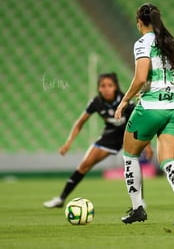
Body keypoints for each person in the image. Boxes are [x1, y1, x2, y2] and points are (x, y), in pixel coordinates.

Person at [114, 3, 174, 226]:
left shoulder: (142, 43)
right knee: (167, 159)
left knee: (129, 155)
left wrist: (125, 100)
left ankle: (138, 208)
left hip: (151, 109)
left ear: (139, 21)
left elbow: (140, 78)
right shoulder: (171, 42)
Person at [43, 73, 152, 208]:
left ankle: (139, 200)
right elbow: (79, 123)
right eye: (102, 86)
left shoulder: (126, 101)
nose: (106, 89)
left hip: (128, 135)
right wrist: (68, 143)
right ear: (99, 88)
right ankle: (61, 199)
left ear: (116, 87)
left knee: (133, 164)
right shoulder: (97, 102)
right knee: (84, 165)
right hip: (110, 136)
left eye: (110, 85)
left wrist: (147, 145)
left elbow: (140, 123)